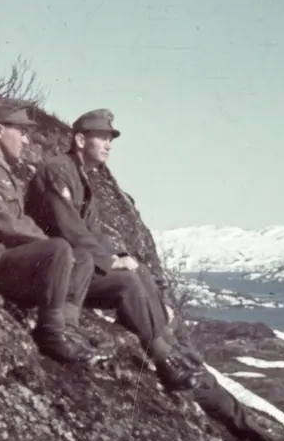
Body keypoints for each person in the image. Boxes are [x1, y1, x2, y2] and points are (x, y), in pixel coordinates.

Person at [24, 108, 202, 391]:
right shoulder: (57, 171)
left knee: (138, 272)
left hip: (76, 267)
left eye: (110, 139)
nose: (108, 145)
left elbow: (94, 233)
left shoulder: (81, 177)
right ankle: (163, 359)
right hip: (55, 269)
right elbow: (68, 228)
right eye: (102, 138)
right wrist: (109, 261)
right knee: (127, 281)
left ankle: (169, 348)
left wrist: (118, 257)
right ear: (81, 141)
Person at [0, 99, 102, 364]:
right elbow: (8, 226)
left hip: (7, 262)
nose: (26, 140)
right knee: (59, 249)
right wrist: (50, 244)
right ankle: (51, 333)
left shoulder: (1, 172)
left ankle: (69, 328)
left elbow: (18, 222)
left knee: (83, 256)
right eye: (21, 132)